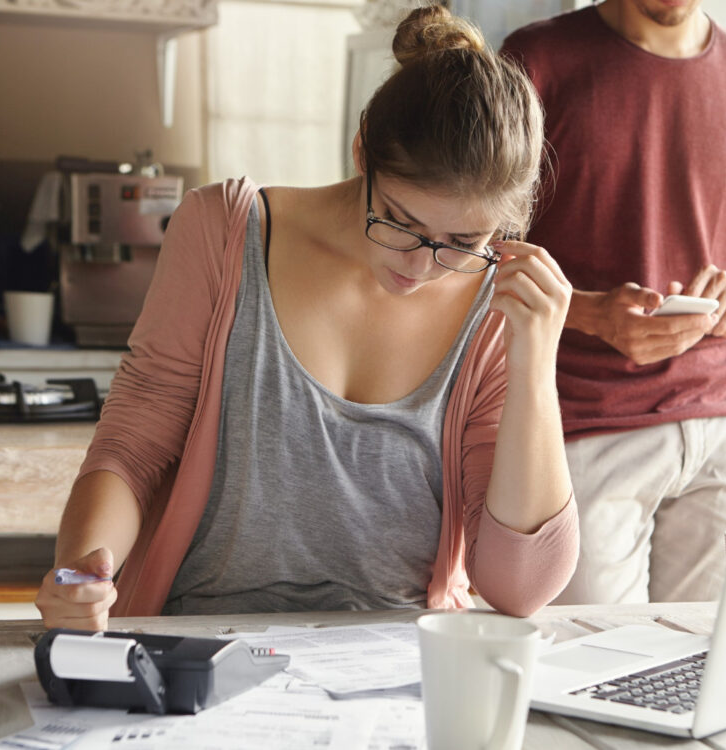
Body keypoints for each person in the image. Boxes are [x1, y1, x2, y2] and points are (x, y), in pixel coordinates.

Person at [36, 5, 579, 631]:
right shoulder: (222, 233)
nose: (422, 265)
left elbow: (520, 589)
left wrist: (535, 367)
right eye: (400, 222)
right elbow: (133, 449)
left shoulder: (493, 303)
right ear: (360, 150)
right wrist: (83, 575)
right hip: (203, 643)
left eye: (462, 239)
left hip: (399, 667)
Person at [501, 0, 726, 604]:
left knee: (714, 670)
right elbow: (473, 254)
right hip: (586, 424)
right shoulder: (534, 63)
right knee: (586, 668)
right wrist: (592, 313)